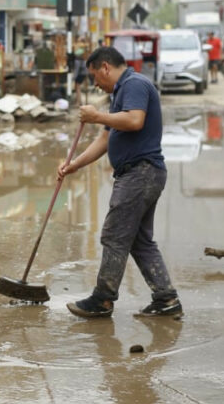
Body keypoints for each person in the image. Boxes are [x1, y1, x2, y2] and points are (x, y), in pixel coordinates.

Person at [57, 46, 182, 319]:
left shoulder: (134, 84)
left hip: (140, 174)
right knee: (139, 241)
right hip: (143, 175)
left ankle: (102, 299)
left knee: (114, 236)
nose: (95, 83)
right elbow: (105, 139)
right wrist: (73, 165)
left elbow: (135, 121)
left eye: (95, 76)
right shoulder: (119, 94)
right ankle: (166, 298)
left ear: (105, 67)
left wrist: (96, 116)